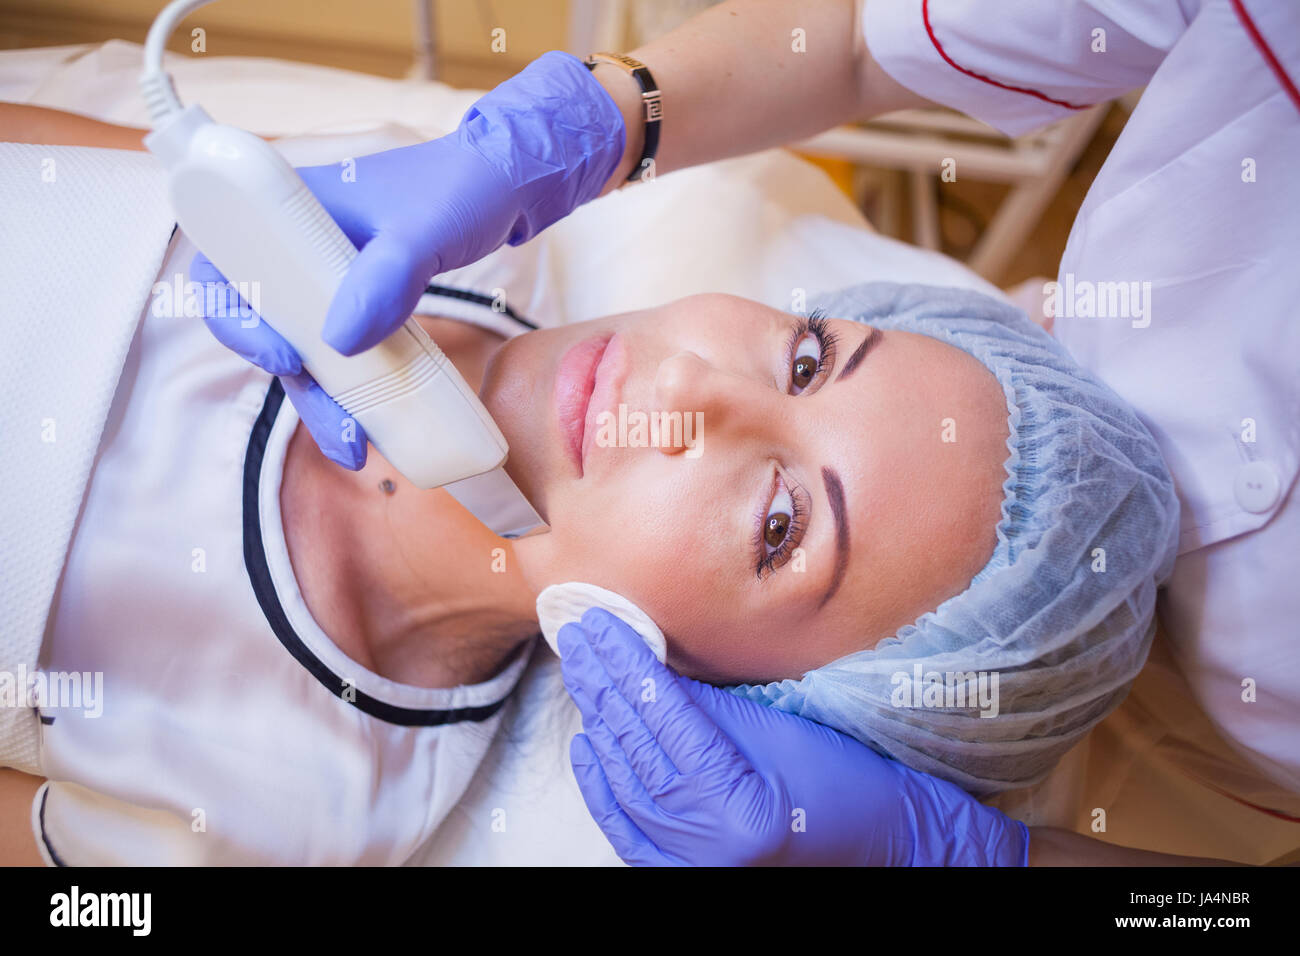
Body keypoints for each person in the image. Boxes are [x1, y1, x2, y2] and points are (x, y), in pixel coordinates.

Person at [181, 0, 1297, 865]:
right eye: (807, 357)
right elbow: (864, 40)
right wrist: (607, 118)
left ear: (724, 694)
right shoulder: (440, 249)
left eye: (779, 523)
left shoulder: (294, 794)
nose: (698, 397)